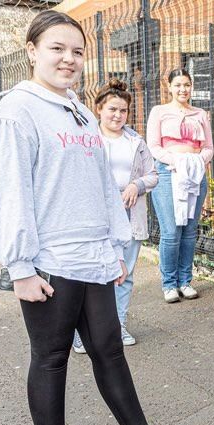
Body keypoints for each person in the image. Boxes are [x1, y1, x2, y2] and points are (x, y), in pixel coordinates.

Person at [0, 11, 190, 425]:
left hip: (93, 255)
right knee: (51, 357)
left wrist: (115, 245)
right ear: (32, 51)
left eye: (77, 51)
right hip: (49, 262)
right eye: (57, 48)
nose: (69, 59)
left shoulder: (76, 108)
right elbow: (10, 192)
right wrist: (19, 266)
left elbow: (98, 183)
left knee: (109, 349)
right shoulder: (17, 111)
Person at [73, 78, 158, 353]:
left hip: (130, 214)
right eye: (112, 109)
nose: (118, 115)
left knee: (126, 274)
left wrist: (137, 185)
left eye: (123, 111)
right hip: (96, 215)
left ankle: (117, 326)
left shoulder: (136, 141)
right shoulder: (87, 138)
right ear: (99, 109)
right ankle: (83, 332)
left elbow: (153, 175)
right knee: (94, 274)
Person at [146, 68, 214, 303]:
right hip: (168, 173)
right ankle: (169, 284)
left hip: (195, 173)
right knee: (171, 231)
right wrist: (177, 161)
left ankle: (185, 281)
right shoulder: (159, 112)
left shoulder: (200, 114)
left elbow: (209, 148)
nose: (183, 89)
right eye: (178, 85)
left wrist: (195, 161)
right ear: (169, 87)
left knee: (189, 231)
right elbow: (153, 146)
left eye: (187, 85)